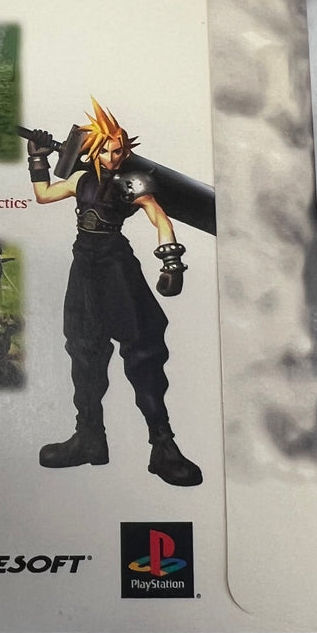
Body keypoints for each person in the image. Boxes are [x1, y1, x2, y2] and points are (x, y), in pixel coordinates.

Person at [27, 99, 201, 486]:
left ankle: (163, 446)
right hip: (84, 270)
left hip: (117, 270)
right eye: (105, 150)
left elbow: (158, 216)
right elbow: (44, 194)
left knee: (143, 353)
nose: (112, 156)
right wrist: (37, 159)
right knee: (83, 351)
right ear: (92, 151)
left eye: (118, 149)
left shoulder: (131, 183)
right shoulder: (80, 180)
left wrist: (171, 261)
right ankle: (89, 439)